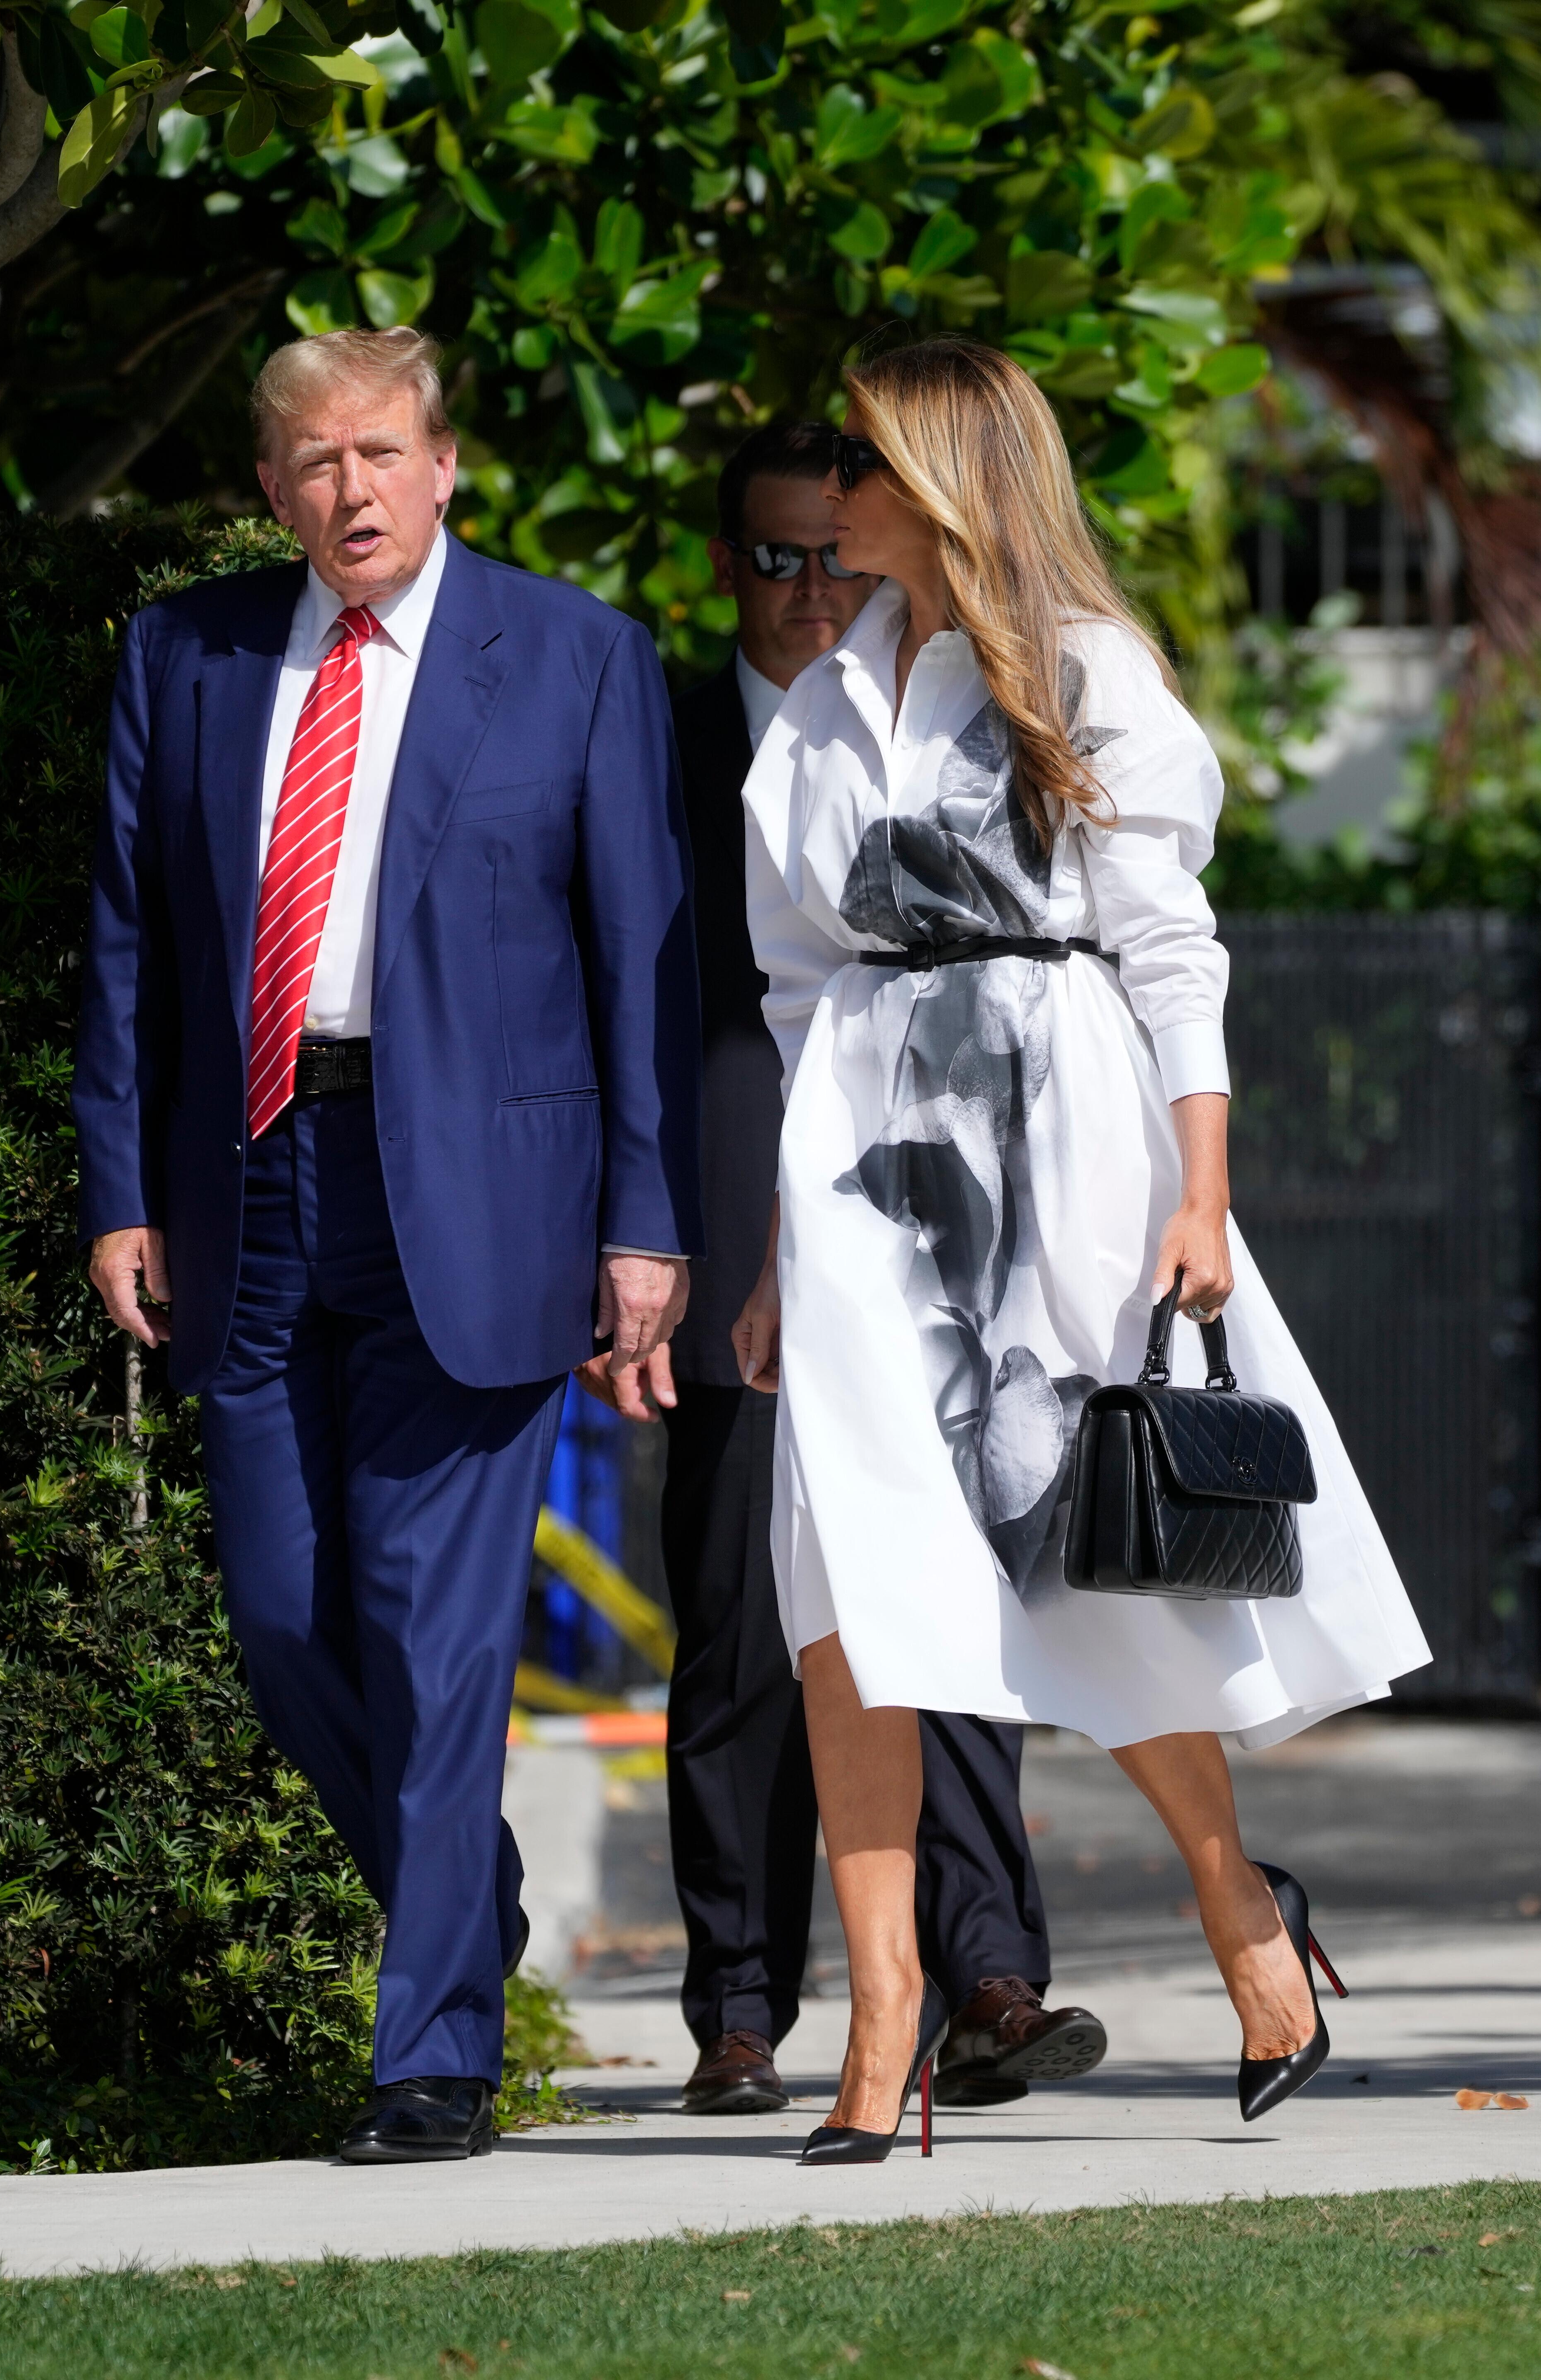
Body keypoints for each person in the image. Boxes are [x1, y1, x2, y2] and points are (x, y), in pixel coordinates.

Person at [731, 339, 1429, 2163]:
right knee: (844, 1598)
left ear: (944, 476)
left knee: (1098, 1559)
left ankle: (1241, 1918)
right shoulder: (813, 704)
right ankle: (884, 2026)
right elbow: (801, 989)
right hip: (865, 1172)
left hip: (1071, 1145)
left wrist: (1201, 1192)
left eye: (860, 461)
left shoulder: (1091, 672)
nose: (830, 493)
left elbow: (1173, 952)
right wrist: (776, 1255)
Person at [75, 328, 700, 2164]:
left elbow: (637, 964)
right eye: (309, 462)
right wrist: (121, 1185)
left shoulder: (576, 659)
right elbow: (128, 945)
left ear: (446, 467)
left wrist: (644, 1223)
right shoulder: (183, 658)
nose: (348, 489)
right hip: (247, 1185)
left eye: (379, 451)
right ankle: (465, 1889)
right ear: (269, 493)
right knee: (283, 1617)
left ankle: (430, 2055)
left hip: (481, 1206)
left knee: (438, 1646)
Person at [614, 420, 1106, 2119]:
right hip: (737, 1233)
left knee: (956, 1589)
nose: (814, 591)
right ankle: (741, 2007)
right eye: (776, 558)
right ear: (724, 567)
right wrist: (644, 1244)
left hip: (942, 1218)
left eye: (841, 553)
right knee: (748, 1623)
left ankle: (987, 1974)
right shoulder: (660, 747)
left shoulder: (957, 710)